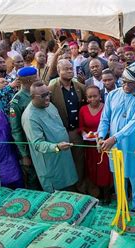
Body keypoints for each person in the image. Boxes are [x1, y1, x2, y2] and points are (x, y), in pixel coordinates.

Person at [97, 65, 135, 212]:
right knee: (118, 176)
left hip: (132, 145)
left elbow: (134, 124)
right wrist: (101, 136)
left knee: (134, 176)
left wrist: (114, 138)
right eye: (124, 81)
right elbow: (105, 119)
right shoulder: (112, 95)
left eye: (130, 83)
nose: (126, 86)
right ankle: (122, 205)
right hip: (113, 145)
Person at [20, 80, 79, 193]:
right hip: (51, 163)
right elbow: (37, 144)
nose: (47, 98)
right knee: (60, 197)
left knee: (72, 189)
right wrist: (56, 147)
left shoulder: (48, 105)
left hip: (64, 157)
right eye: (43, 96)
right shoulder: (30, 117)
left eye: (48, 94)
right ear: (32, 97)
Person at [49, 59, 87, 193]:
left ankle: (81, 189)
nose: (70, 71)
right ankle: (68, 192)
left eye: (71, 68)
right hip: (61, 133)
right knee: (64, 164)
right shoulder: (51, 89)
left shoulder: (79, 87)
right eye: (66, 69)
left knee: (79, 163)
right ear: (59, 71)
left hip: (76, 132)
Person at [9, 66, 42, 191]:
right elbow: (16, 131)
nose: (39, 79)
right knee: (33, 179)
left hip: (42, 143)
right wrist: (24, 155)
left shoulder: (39, 93)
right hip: (30, 147)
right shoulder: (17, 101)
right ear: (29, 81)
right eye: (36, 77)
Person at [78, 85, 113, 202]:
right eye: (89, 97)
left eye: (95, 96)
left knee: (105, 170)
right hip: (90, 146)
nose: (92, 99)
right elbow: (81, 127)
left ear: (100, 96)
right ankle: (96, 194)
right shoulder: (83, 109)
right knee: (92, 169)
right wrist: (84, 134)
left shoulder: (106, 108)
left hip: (104, 145)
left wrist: (101, 135)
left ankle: (107, 195)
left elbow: (111, 127)